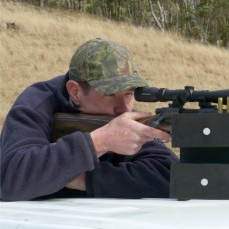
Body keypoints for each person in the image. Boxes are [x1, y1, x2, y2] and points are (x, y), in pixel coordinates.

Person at [0, 38, 179, 201]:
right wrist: (101, 141)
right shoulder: (37, 104)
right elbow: (10, 179)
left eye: (129, 93)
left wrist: (82, 178)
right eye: (109, 94)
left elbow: (172, 176)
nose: (124, 108)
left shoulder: (120, 113)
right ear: (75, 92)